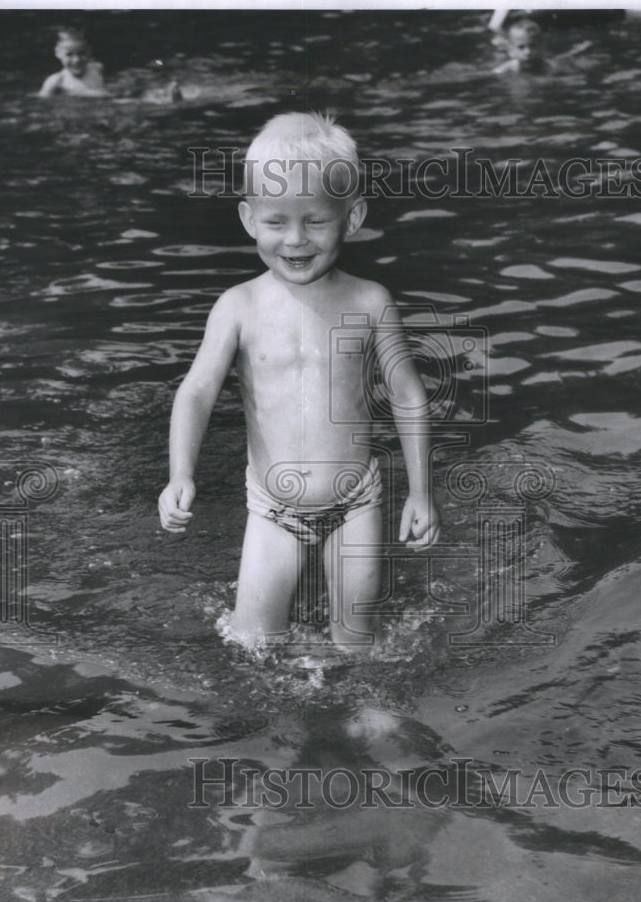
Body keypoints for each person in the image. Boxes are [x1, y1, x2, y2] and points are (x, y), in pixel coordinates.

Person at [158, 112, 440, 648]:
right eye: (276, 221)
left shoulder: (369, 301)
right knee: (254, 646)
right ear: (248, 218)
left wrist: (421, 493)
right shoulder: (237, 307)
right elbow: (196, 391)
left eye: (314, 221)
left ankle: (365, 720)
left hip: (355, 501)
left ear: (351, 217)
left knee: (359, 647)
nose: (294, 239)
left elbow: (408, 393)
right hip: (271, 508)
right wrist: (180, 475)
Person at [38, 29, 107, 97]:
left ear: (89, 52)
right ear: (58, 53)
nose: (76, 60)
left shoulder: (97, 69)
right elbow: (43, 100)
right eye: (69, 55)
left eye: (82, 53)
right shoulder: (56, 80)